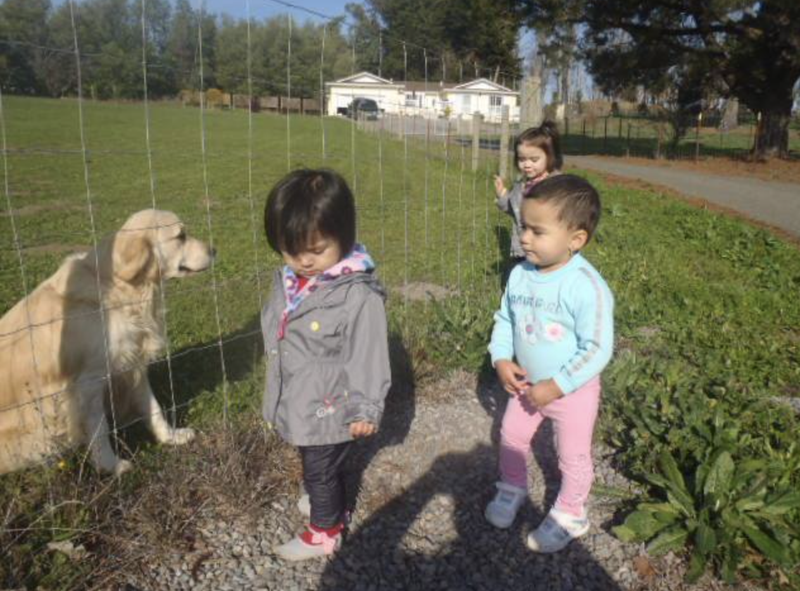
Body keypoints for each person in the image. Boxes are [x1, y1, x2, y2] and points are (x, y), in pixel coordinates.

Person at [261, 169, 391, 561]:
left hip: (330, 401)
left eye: (316, 250)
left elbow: (369, 354)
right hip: (301, 394)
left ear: (344, 236)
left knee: (319, 465)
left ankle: (325, 531)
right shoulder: (291, 280)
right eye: (291, 249)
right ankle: (328, 501)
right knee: (316, 460)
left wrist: (366, 406)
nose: (303, 260)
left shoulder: (356, 296)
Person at [485, 174, 614, 553]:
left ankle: (571, 512)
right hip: (527, 386)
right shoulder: (521, 275)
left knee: (571, 454)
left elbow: (597, 348)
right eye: (524, 226)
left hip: (572, 391)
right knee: (511, 436)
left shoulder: (585, 286)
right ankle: (512, 487)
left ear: (576, 239)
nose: (524, 238)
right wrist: (501, 358)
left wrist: (557, 386)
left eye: (537, 231)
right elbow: (505, 319)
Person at [494, 120, 563, 270]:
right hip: (522, 246)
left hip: (546, 247)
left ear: (549, 157)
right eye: (522, 159)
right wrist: (503, 196)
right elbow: (514, 211)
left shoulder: (556, 185)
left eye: (534, 159)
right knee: (524, 278)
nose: (527, 164)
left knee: (545, 278)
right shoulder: (521, 185)